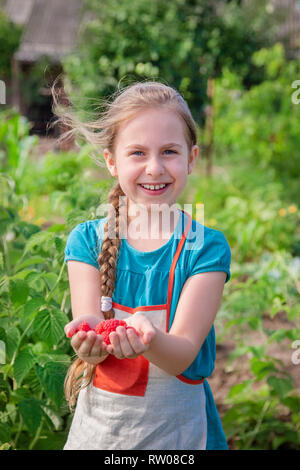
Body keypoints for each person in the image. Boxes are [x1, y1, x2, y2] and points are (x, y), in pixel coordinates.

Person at [57, 81, 231, 450]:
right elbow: (89, 322)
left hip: (181, 436)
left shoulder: (205, 248)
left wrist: (146, 338)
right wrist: (89, 344)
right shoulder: (87, 242)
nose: (154, 168)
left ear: (192, 158)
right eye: (137, 153)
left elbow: (182, 353)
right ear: (111, 161)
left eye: (169, 151)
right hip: (102, 433)